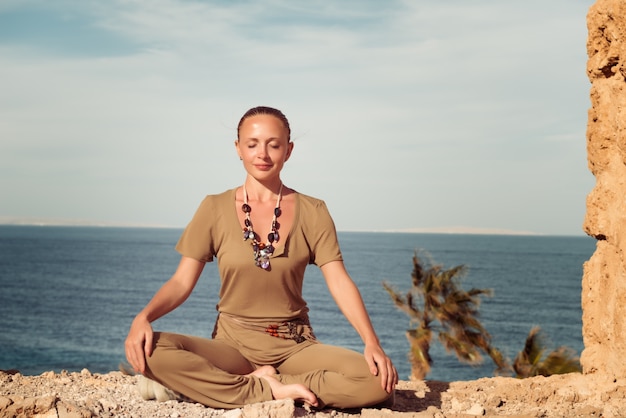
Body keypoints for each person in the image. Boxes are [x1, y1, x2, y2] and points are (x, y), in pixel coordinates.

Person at [124, 105, 398, 410]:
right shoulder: (213, 208)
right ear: (238, 149)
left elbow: (339, 281)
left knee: (378, 382)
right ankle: (265, 387)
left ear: (288, 150)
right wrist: (143, 317)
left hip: (295, 346)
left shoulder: (314, 211)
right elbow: (181, 282)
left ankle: (258, 384)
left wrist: (371, 342)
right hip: (233, 346)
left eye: (274, 144)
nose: (262, 154)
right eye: (252, 144)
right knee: (150, 350)